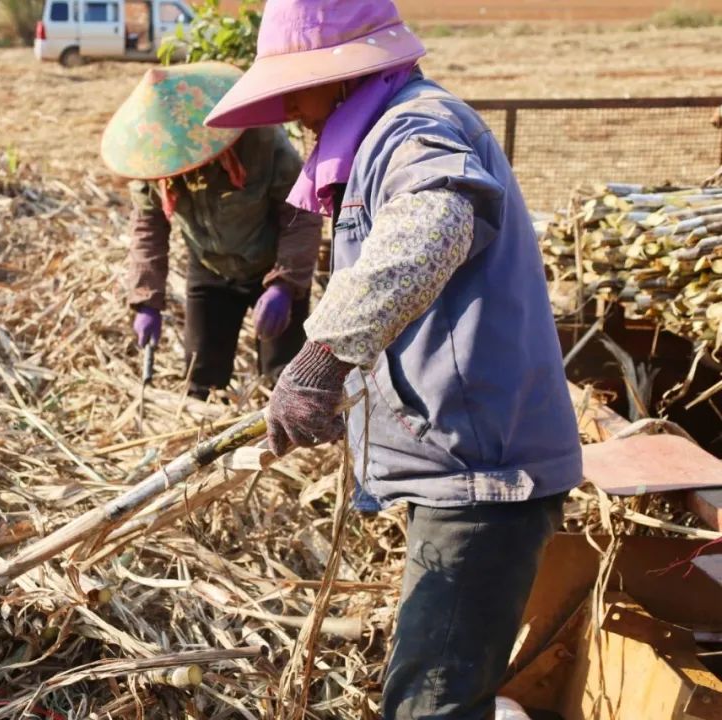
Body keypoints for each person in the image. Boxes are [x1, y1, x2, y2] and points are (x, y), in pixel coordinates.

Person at [205, 1, 583, 718]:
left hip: (483, 474)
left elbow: (432, 225)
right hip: (461, 462)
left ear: (347, 73)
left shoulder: (416, 127)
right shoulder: (384, 131)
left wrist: (320, 359)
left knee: (429, 706)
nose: (293, 113)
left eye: (298, 89)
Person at [101, 62, 323, 399]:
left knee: (285, 378)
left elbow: (302, 212)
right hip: (210, 271)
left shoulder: (261, 142)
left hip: (272, 264)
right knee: (201, 377)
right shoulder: (157, 163)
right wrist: (147, 300)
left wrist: (286, 283)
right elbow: (149, 229)